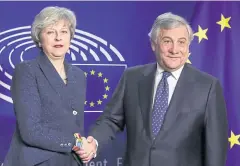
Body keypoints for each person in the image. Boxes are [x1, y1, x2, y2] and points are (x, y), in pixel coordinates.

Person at [78, 12, 229, 166]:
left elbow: (215, 147)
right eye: (167, 41)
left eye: (181, 42)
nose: (175, 49)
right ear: (154, 44)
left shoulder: (208, 86)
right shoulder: (132, 77)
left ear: (188, 46)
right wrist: (94, 142)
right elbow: (111, 120)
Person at [3, 6, 89, 166]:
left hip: (70, 160)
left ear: (71, 37)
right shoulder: (26, 71)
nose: (58, 38)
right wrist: (76, 144)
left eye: (64, 32)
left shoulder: (78, 75)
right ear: (39, 39)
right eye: (50, 32)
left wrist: (86, 147)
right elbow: (31, 131)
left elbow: (74, 125)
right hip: (37, 161)